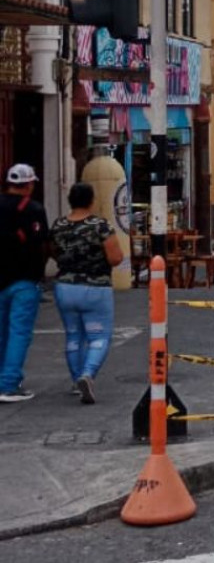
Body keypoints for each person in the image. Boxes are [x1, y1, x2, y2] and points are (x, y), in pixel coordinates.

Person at [49, 183, 123, 404]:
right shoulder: (100, 226)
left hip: (64, 286)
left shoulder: (58, 225)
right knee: (98, 336)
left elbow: (52, 251)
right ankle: (88, 374)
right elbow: (115, 257)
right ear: (91, 200)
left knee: (73, 336)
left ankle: (76, 380)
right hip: (95, 287)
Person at [0, 164, 49, 403]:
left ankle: (4, 379)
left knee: (1, 332)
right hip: (25, 279)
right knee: (19, 332)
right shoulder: (34, 209)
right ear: (29, 184)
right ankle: (8, 384)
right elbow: (43, 242)